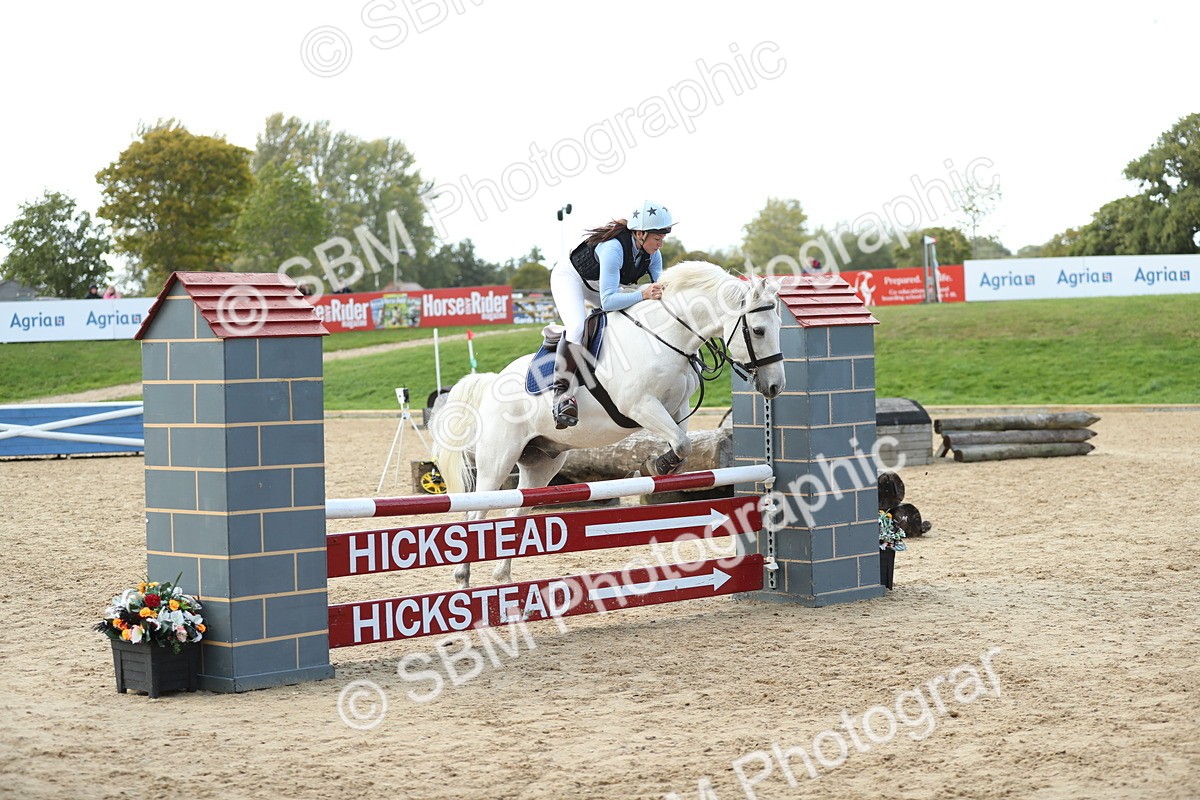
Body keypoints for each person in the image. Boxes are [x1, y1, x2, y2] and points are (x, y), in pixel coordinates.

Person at [547, 200, 674, 428]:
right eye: (657, 238)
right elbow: (608, 301)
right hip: (571, 279)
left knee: (631, 315)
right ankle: (561, 393)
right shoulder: (613, 248)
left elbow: (662, 289)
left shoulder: (653, 255)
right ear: (640, 234)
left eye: (663, 238)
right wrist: (643, 294)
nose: (661, 244)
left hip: (601, 286)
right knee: (577, 327)